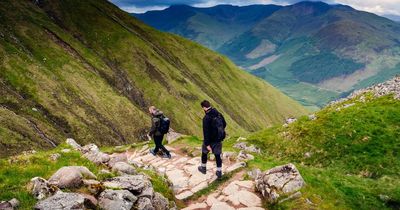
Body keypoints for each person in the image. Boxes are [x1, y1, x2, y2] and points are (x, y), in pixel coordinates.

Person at [198, 100, 226, 179]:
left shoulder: (206, 118)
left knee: (204, 152)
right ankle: (219, 172)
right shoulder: (219, 114)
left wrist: (207, 144)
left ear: (204, 108)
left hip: (210, 140)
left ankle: (203, 168)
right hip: (218, 139)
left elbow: (205, 132)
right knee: (217, 155)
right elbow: (224, 124)